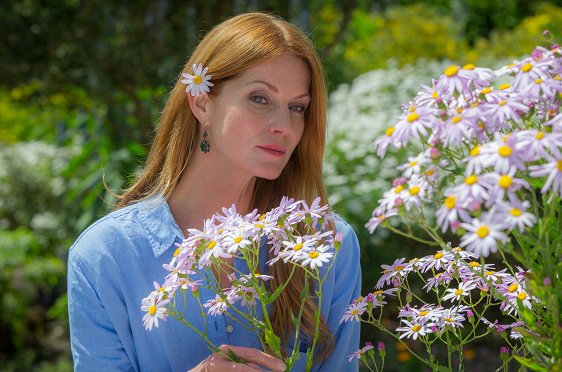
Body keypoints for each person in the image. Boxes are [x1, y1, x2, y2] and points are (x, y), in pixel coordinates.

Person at [67, 12, 361, 372]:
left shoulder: (327, 244)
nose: (284, 126)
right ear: (202, 102)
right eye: (260, 98)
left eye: (297, 107)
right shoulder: (106, 257)